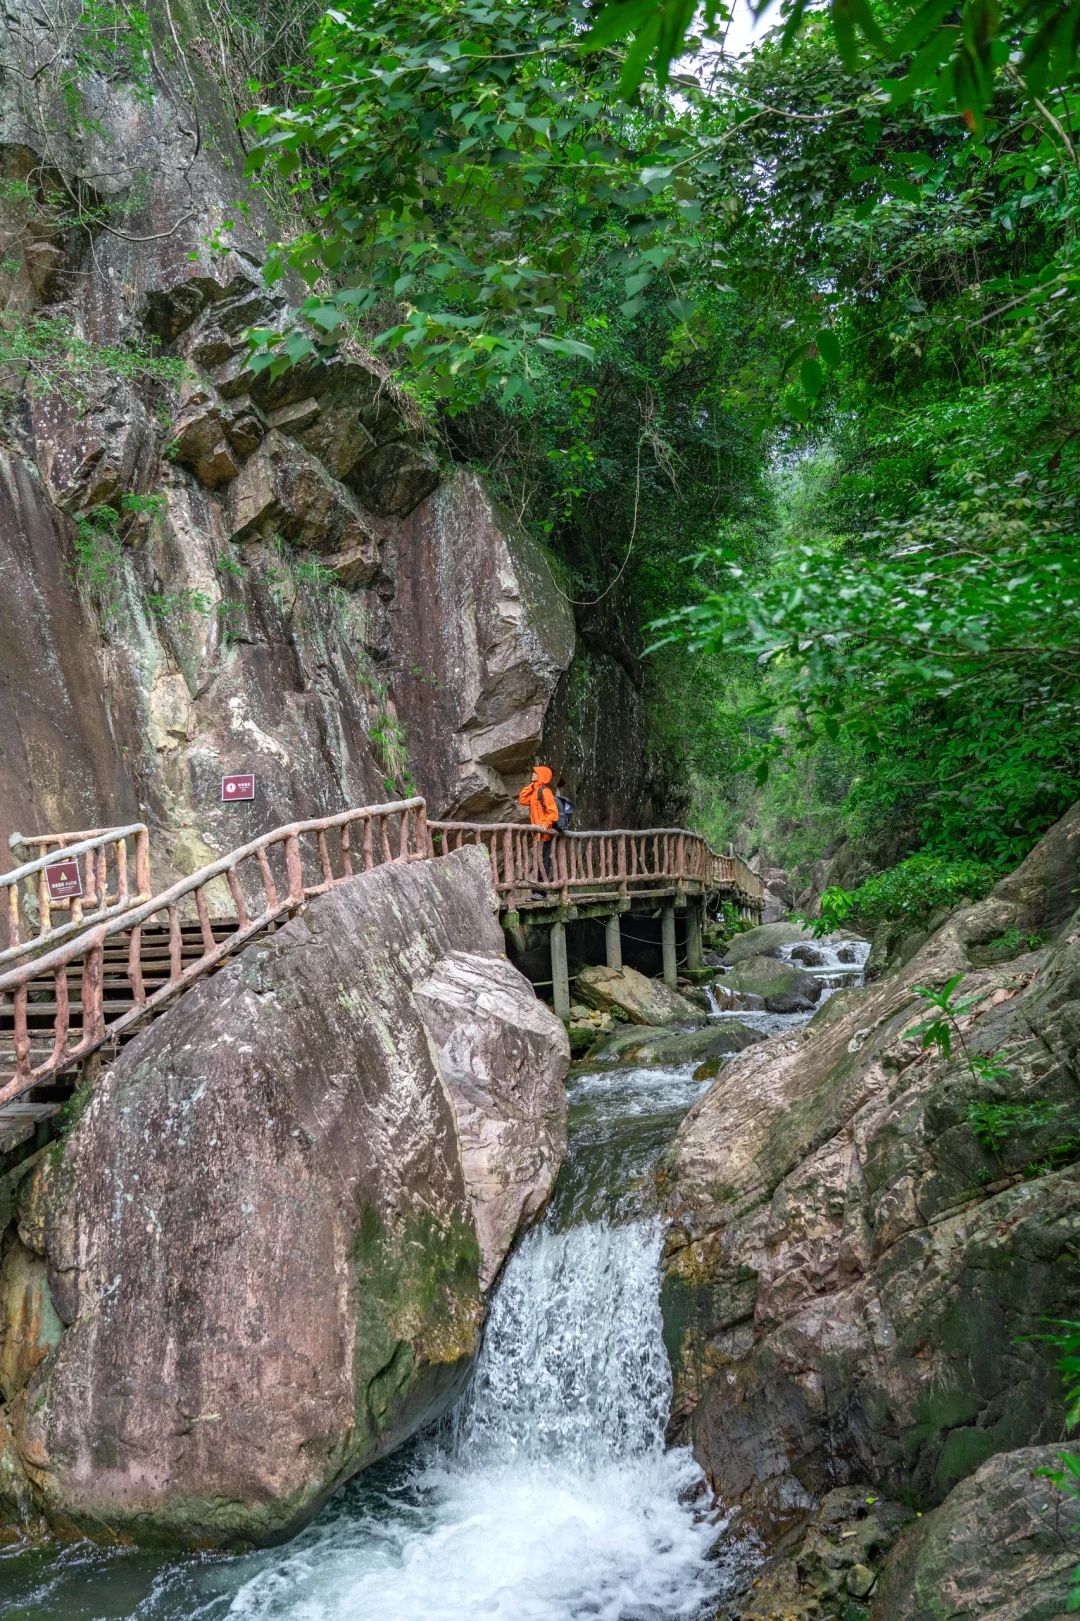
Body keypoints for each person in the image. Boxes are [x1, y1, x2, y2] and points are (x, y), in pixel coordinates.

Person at [518, 764, 559, 894]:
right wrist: (531, 785)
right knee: (537, 863)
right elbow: (522, 799)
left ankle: (541, 892)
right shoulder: (536, 791)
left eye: (535, 773)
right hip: (536, 835)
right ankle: (536, 892)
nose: (532, 774)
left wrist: (545, 824)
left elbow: (553, 812)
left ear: (541, 776)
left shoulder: (545, 792)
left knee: (543, 863)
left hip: (544, 835)